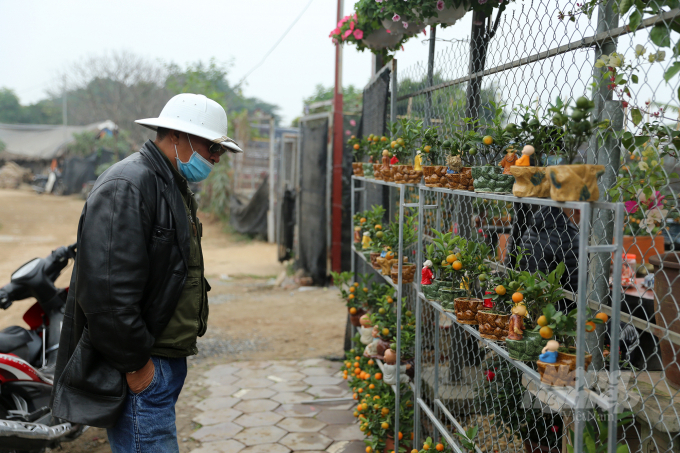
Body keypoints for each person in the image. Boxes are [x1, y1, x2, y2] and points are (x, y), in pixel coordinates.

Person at [50, 93, 243, 453]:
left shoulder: (170, 184)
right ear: (176, 135)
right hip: (143, 363)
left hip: (162, 358)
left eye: (220, 151)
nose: (216, 158)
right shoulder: (129, 185)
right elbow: (108, 296)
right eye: (211, 148)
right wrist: (137, 367)